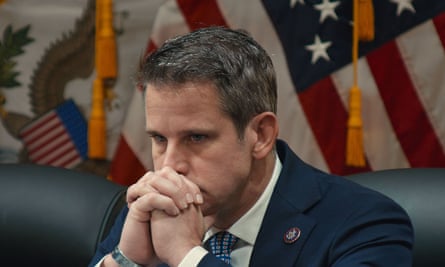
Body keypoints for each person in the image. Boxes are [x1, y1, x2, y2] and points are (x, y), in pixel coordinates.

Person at [89, 26, 413, 267]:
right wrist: (125, 260)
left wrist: (187, 256)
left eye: (196, 138)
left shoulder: (365, 223)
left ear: (261, 134)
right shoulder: (152, 207)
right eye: (159, 139)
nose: (169, 165)